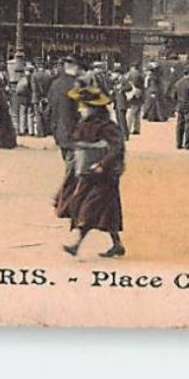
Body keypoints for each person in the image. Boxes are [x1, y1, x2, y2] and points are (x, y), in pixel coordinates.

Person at [56, 81, 126, 259]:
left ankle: (76, 244)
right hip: (87, 173)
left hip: (105, 175)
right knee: (106, 212)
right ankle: (117, 244)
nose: (80, 110)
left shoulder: (107, 127)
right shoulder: (84, 123)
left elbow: (117, 148)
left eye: (84, 107)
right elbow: (74, 141)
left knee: (90, 208)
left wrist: (102, 163)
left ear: (94, 109)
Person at [47, 56, 83, 166]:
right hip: (74, 130)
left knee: (68, 160)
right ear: (76, 68)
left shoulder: (55, 84)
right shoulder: (77, 85)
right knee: (74, 166)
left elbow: (50, 108)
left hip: (58, 129)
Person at [172, 64, 189, 151]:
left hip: (180, 106)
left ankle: (178, 143)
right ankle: (188, 144)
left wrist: (177, 104)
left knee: (180, 125)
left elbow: (173, 96)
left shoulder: (178, 83)